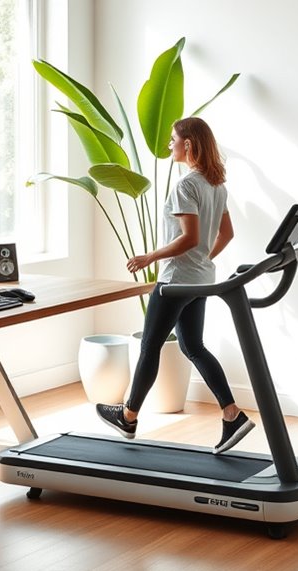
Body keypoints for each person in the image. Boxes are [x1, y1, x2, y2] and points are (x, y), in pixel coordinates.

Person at [95, 116, 254, 455]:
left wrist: (149, 258)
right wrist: (201, 260)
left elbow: (189, 238)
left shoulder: (186, 185)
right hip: (200, 281)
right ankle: (232, 414)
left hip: (176, 282)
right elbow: (226, 234)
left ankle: (128, 415)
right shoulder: (216, 185)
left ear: (188, 145)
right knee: (193, 346)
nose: (169, 144)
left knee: (150, 346)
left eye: (173, 139)